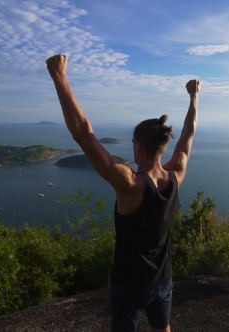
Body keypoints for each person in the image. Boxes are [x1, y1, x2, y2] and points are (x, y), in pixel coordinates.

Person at [46, 54, 200, 332]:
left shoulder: (131, 184)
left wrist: (60, 77)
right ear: (162, 147)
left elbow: (84, 134)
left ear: (138, 147)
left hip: (129, 285)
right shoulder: (177, 175)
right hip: (163, 280)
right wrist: (194, 98)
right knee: (162, 329)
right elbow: (188, 137)